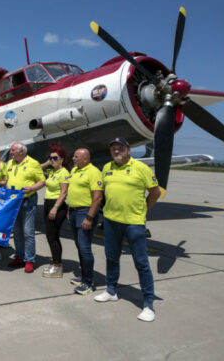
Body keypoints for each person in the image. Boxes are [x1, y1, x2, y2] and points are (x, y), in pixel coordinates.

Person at [94, 138, 160, 322]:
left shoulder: (141, 168)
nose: (117, 151)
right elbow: (103, 191)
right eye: (114, 149)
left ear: (128, 150)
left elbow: (155, 192)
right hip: (111, 221)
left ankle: (148, 303)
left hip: (134, 223)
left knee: (141, 263)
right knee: (111, 258)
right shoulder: (107, 168)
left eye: (120, 148)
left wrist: (143, 210)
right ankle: (111, 290)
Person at [66, 148, 103, 295]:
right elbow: (72, 190)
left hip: (85, 212)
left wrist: (89, 217)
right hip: (74, 211)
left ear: (85, 159)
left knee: (84, 247)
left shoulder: (93, 172)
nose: (73, 158)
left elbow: (98, 197)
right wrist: (69, 208)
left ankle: (88, 282)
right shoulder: (74, 170)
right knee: (79, 245)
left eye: (76, 157)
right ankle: (83, 276)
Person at [5, 142, 46, 273]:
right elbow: (5, 180)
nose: (10, 152)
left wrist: (33, 188)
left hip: (28, 200)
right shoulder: (9, 164)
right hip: (13, 202)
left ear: (21, 152)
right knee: (17, 231)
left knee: (28, 231)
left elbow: (42, 181)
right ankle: (20, 256)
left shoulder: (33, 163)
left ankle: (29, 260)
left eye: (12, 150)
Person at [39, 144, 71, 277]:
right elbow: (37, 169)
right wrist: (48, 162)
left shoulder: (63, 172)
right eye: (50, 158)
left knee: (52, 236)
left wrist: (55, 208)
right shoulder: (52, 171)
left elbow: (64, 192)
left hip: (56, 205)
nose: (52, 160)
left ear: (62, 159)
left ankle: (57, 266)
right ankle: (55, 263)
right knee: (51, 236)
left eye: (55, 158)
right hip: (48, 203)